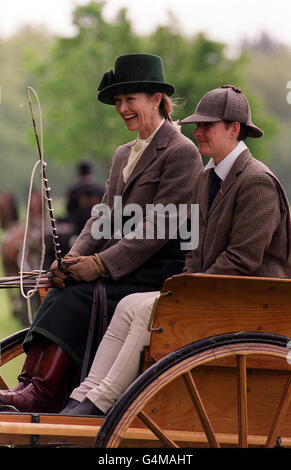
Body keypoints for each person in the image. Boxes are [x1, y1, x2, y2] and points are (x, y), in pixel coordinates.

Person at [60, 84, 291, 416]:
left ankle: (101, 404)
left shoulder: (256, 181)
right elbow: (193, 249)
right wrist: (182, 287)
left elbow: (241, 262)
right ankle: (82, 397)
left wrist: (185, 294)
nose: (196, 132)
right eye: (197, 125)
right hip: (212, 294)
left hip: (249, 304)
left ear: (234, 129)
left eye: (206, 125)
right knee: (128, 304)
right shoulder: (205, 178)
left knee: (147, 312)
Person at [0, 53, 202, 413]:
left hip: (158, 270)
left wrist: (100, 264)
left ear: (157, 99)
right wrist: (71, 259)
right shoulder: (124, 153)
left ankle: (44, 392)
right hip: (123, 266)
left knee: (77, 295)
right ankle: (31, 384)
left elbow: (158, 227)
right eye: (118, 101)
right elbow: (101, 218)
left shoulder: (182, 152)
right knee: (65, 286)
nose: (122, 108)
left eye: (130, 99)